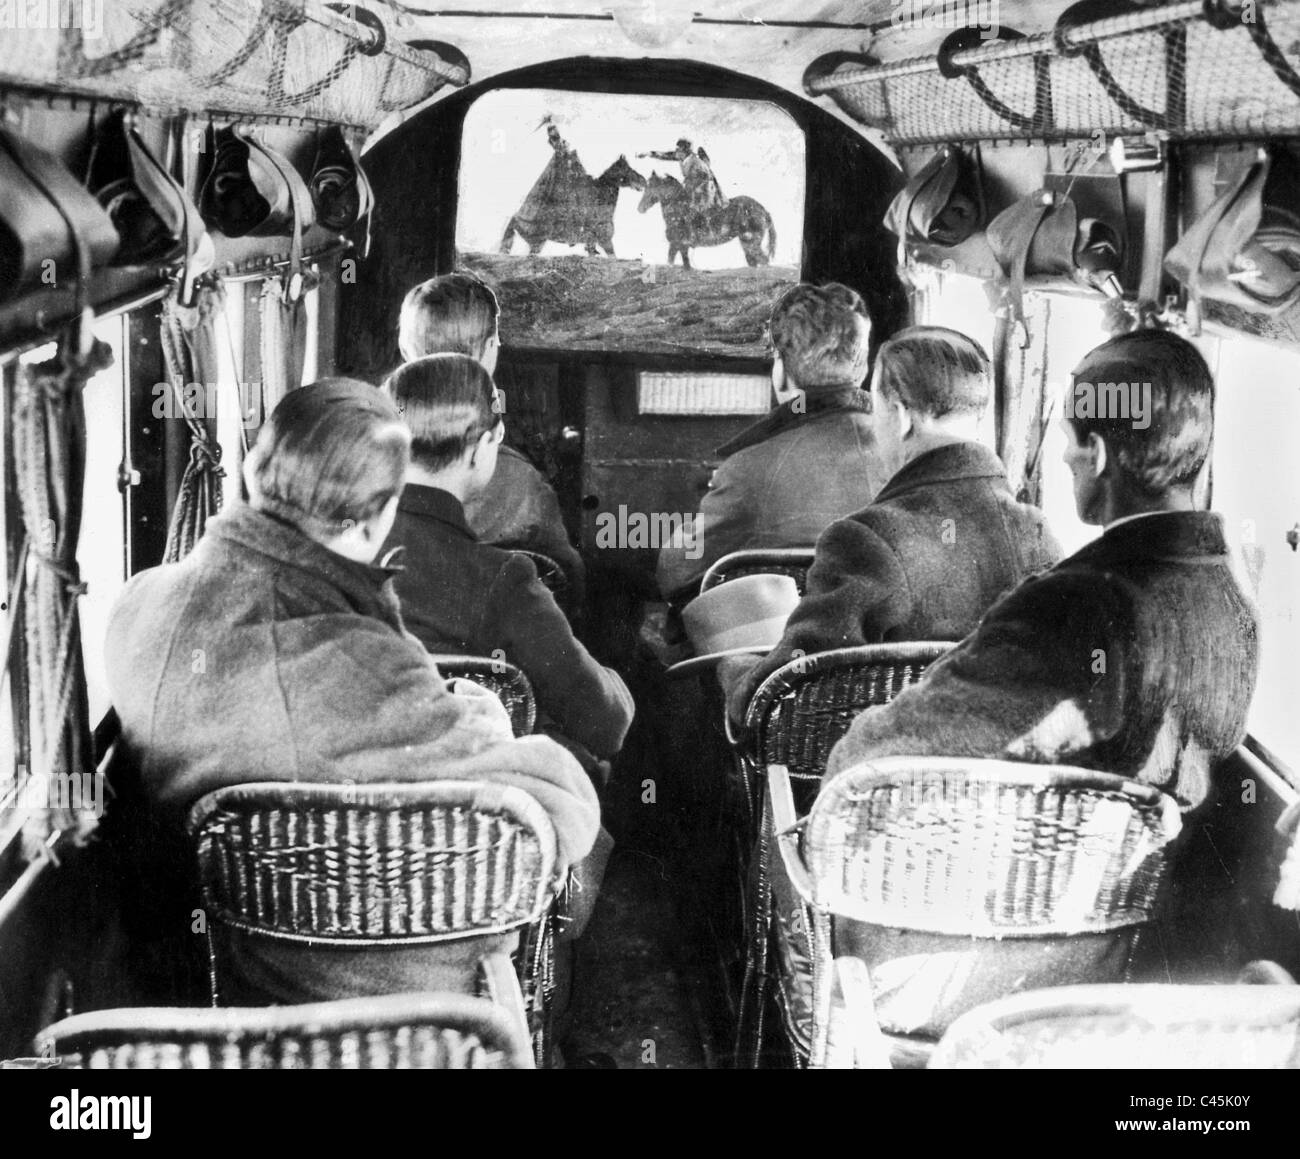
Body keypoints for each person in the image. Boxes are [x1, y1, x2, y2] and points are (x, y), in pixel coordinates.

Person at [105, 379, 601, 1003]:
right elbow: (558, 804)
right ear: (376, 517)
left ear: (261, 472)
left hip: (207, 990)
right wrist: (483, 714)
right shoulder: (364, 666)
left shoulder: (137, 606)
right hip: (399, 1009)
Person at [826, 327, 1260, 806]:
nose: (1062, 456)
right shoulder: (1234, 598)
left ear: (1094, 456)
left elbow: (872, 759)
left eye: (1068, 440)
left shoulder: (1064, 609)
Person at [724, 325, 1061, 725]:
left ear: (900, 417)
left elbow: (787, 694)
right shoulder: (1040, 534)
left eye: (876, 411)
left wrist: (735, 673)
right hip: (1007, 780)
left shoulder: (863, 540)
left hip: (880, 778)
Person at [380, 353, 634, 775]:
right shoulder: (503, 579)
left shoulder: (331, 553)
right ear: (482, 448)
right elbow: (605, 724)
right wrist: (617, 684)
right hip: (480, 819)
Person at [656, 282, 891, 604]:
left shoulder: (747, 468)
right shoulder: (911, 457)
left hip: (782, 648)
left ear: (780, 372)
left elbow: (676, 576)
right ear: (862, 369)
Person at [398, 270, 585, 600]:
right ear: (488, 350)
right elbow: (567, 576)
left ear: (404, 349)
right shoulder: (521, 483)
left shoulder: (352, 456)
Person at [640, 138, 727, 224]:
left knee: (694, 213)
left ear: (684, 152)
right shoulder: (683, 158)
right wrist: (649, 154)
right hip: (694, 187)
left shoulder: (696, 163)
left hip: (705, 191)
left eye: (678, 150)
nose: (676, 151)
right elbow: (667, 155)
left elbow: (701, 183)